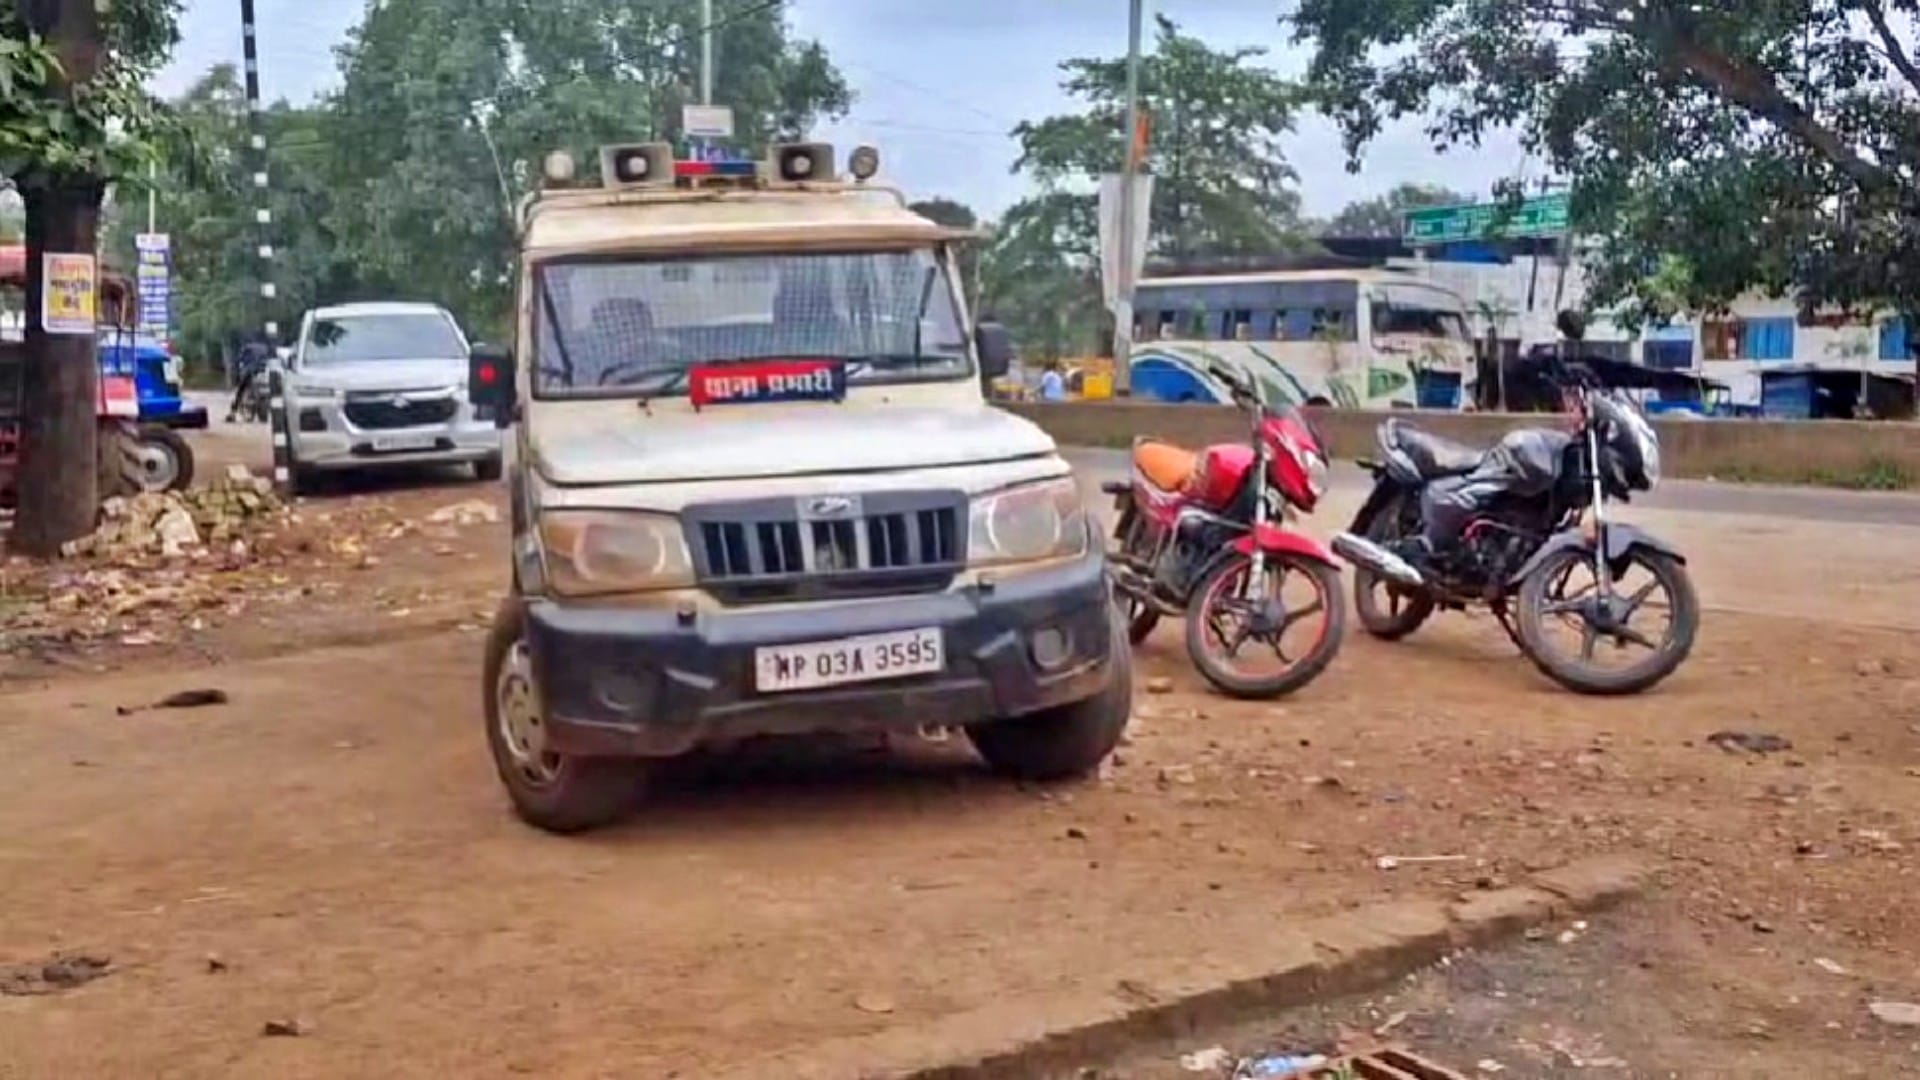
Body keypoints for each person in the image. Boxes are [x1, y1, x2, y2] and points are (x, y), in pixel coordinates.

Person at [227, 333, 273, 422]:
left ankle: (233, 412)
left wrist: (235, 365)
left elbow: (240, 359)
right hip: (263, 371)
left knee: (240, 390)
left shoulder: (247, 348)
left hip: (250, 371)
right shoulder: (265, 348)